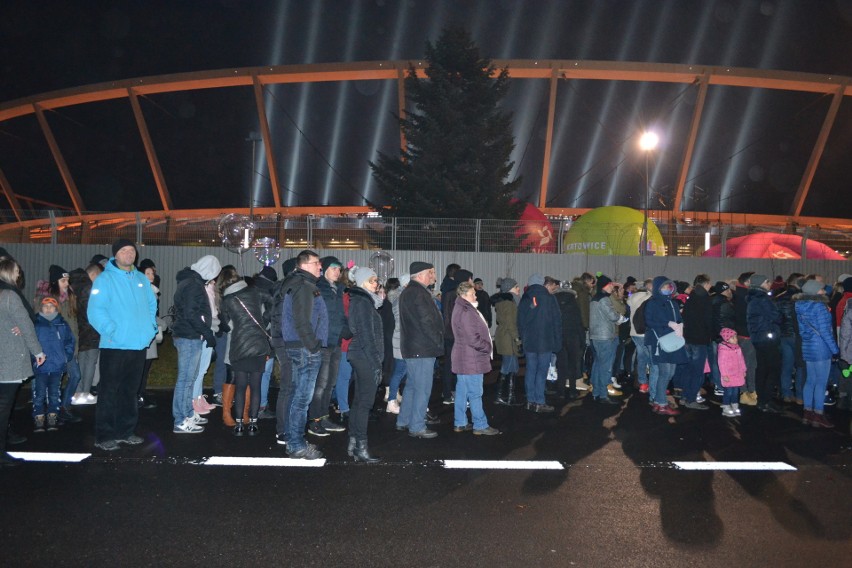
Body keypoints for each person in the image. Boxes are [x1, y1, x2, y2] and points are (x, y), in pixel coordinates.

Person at [87, 239, 158, 451]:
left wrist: (150, 329)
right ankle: (104, 435)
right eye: (124, 251)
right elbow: (95, 310)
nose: (129, 254)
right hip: (114, 344)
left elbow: (151, 304)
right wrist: (112, 331)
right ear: (115, 254)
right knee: (109, 390)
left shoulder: (140, 279)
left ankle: (125, 431)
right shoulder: (105, 279)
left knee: (130, 391)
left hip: (137, 345)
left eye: (132, 251)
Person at [281, 250, 328, 459]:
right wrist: (313, 345)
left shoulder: (301, 284)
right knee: (302, 399)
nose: (320, 267)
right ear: (305, 265)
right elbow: (302, 320)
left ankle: (294, 440)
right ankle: (296, 445)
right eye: (317, 263)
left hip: (301, 347)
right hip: (305, 348)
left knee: (298, 396)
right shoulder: (303, 286)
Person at [0, 257, 45, 466]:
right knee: (3, 406)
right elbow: (26, 325)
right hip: (8, 359)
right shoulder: (9, 296)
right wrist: (37, 352)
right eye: (17, 271)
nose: (19, 275)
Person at [171, 255, 222, 434]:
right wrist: (207, 333)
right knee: (185, 379)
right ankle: (180, 419)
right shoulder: (193, 284)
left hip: (190, 335)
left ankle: (188, 413)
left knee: (189, 379)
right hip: (189, 336)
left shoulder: (191, 281)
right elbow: (192, 314)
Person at [220, 269, 272, 436]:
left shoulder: (227, 299)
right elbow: (272, 301)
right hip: (258, 344)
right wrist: (264, 319)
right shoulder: (255, 291)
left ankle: (239, 425)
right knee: (255, 386)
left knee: (241, 386)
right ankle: (253, 423)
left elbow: (225, 325)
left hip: (239, 346)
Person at [397, 261, 443, 439]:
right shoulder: (419, 293)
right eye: (431, 273)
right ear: (421, 275)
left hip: (413, 347)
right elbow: (427, 322)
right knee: (422, 388)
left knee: (412, 386)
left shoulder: (410, 292)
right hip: (422, 347)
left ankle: (404, 420)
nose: (433, 276)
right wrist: (437, 340)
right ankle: (416, 426)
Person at [345, 266, 385, 462]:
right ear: (362, 282)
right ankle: (360, 447)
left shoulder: (364, 300)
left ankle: (354, 444)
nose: (375, 283)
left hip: (361, 355)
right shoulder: (362, 302)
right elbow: (367, 336)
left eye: (376, 280)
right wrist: (376, 363)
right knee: (364, 404)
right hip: (364, 355)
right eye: (371, 280)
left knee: (359, 402)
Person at [452, 281, 500, 436]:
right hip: (471, 358)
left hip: (463, 357)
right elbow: (473, 339)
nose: (475, 295)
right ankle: (480, 424)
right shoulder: (467, 311)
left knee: (462, 391)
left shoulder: (460, 307)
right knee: (475, 393)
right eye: (473, 293)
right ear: (464, 295)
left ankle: (460, 422)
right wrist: (488, 347)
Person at [307, 256, 347, 437]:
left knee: (330, 383)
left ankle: (324, 417)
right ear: (324, 269)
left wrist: (346, 328)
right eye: (334, 268)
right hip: (323, 343)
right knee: (320, 384)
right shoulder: (319, 288)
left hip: (336, 341)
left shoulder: (338, 289)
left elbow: (338, 314)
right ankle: (314, 420)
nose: (337, 272)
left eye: (339, 269)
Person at [794, 279, 839, 428]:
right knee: (821, 382)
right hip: (821, 347)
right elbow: (825, 332)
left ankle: (807, 413)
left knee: (810, 380)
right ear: (815, 291)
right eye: (821, 289)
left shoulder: (799, 305)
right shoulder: (820, 307)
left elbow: (801, 330)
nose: (824, 291)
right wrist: (835, 350)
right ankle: (818, 414)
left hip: (808, 345)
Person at [517, 273, 561, 411]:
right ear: (542, 283)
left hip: (529, 341)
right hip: (546, 341)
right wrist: (557, 342)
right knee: (542, 372)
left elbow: (520, 322)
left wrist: (523, 338)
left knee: (530, 370)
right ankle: (540, 402)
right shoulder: (550, 298)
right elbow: (557, 322)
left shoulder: (525, 298)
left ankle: (530, 400)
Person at [31, 296, 75, 432]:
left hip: (57, 366)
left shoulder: (62, 324)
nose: (48, 309)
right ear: (41, 308)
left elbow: (70, 341)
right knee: (39, 393)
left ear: (56, 308)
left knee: (54, 393)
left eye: (51, 306)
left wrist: (65, 357)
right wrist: (32, 359)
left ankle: (52, 417)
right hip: (41, 366)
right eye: (46, 306)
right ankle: (38, 417)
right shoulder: (36, 324)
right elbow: (30, 342)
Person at [644, 276, 686, 416]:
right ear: (657, 288)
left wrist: (680, 325)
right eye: (664, 287)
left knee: (670, 372)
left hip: (672, 340)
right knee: (664, 373)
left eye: (669, 286)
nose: (667, 289)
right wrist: (667, 324)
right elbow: (649, 321)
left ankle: (658, 400)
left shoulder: (672, 303)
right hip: (659, 342)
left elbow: (678, 318)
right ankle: (661, 403)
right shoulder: (652, 303)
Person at [746, 274, 783, 413]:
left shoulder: (753, 298)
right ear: (762, 283)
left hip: (758, 338)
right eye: (768, 282)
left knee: (762, 369)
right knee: (773, 369)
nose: (769, 284)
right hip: (767, 337)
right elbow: (776, 316)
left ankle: (762, 400)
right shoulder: (763, 299)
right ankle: (766, 400)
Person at [588, 275, 624, 405]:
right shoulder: (604, 299)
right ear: (604, 286)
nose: (611, 288)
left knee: (598, 364)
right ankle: (603, 394)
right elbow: (612, 316)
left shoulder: (594, 299)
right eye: (610, 285)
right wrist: (621, 318)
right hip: (606, 337)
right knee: (605, 366)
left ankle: (596, 392)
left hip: (596, 336)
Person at [681, 274, 713, 410]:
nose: (711, 286)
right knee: (697, 372)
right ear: (705, 284)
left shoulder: (691, 297)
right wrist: (711, 335)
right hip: (700, 339)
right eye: (709, 283)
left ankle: (685, 396)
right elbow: (709, 320)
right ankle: (691, 399)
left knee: (688, 369)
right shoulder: (705, 299)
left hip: (688, 338)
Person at [550, 278, 585, 402]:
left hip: (559, 337)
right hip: (573, 337)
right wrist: (582, 340)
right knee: (572, 365)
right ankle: (572, 391)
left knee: (561, 364)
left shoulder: (554, 302)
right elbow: (578, 322)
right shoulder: (574, 303)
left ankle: (560, 391)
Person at [442, 268, 472, 406]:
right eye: (470, 279)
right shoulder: (460, 295)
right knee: (458, 365)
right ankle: (454, 394)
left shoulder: (448, 294)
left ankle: (448, 392)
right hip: (457, 335)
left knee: (449, 363)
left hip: (449, 334)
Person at [491, 278, 522, 405]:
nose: (518, 289)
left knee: (512, 366)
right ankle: (503, 397)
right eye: (516, 287)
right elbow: (511, 324)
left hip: (505, 337)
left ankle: (508, 396)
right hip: (508, 338)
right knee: (508, 366)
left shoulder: (504, 302)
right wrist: (517, 339)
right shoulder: (509, 303)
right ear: (509, 289)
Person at [733, 272, 758, 406]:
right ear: (748, 282)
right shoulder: (746, 296)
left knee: (748, 365)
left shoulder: (739, 294)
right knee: (747, 365)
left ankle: (749, 391)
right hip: (746, 335)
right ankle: (746, 392)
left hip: (743, 334)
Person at [385, 274, 409, 414]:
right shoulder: (400, 300)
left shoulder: (400, 298)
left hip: (401, 340)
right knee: (399, 371)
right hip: (401, 340)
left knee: (402, 371)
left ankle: (394, 398)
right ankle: (391, 400)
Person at [627, 278, 653, 393]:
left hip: (634, 332)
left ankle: (642, 383)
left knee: (641, 358)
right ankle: (653, 384)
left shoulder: (632, 297)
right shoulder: (649, 298)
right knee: (651, 359)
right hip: (644, 332)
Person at [717, 328, 745, 417]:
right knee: (728, 391)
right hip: (728, 375)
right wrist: (724, 374)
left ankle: (734, 404)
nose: (736, 339)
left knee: (735, 391)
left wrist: (743, 370)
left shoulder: (737, 348)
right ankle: (726, 406)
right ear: (727, 339)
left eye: (736, 337)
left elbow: (741, 360)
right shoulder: (723, 350)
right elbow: (721, 363)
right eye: (733, 338)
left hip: (737, 374)